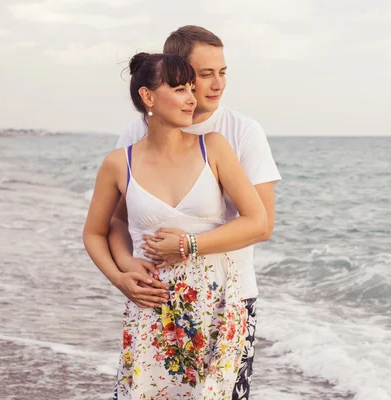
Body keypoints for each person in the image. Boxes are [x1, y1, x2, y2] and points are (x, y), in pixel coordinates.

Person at [109, 26, 281, 399]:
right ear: (175, 72)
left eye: (222, 72)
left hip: (226, 298)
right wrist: (123, 268)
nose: (216, 84)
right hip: (154, 298)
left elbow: (261, 224)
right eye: (205, 75)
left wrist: (189, 245)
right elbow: (116, 219)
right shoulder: (134, 135)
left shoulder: (241, 132)